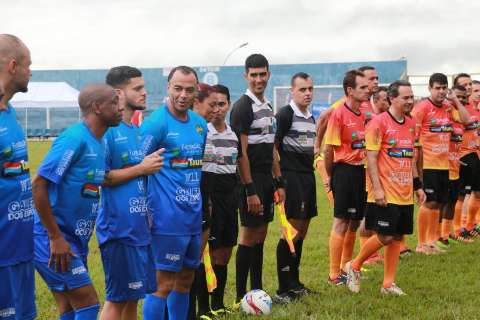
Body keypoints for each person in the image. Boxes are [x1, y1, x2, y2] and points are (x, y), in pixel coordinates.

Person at [32, 84, 123, 320]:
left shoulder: (100, 141)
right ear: (97, 107)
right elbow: (39, 184)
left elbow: (101, 179)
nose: (120, 107)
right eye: (114, 102)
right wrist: (55, 237)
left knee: (69, 307)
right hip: (51, 239)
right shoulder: (74, 139)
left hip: (75, 238)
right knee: (88, 302)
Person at [345, 80, 426, 295]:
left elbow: (410, 158)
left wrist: (418, 186)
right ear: (392, 98)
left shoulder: (411, 124)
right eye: (405, 97)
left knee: (398, 238)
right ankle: (354, 266)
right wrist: (377, 189)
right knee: (386, 235)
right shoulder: (378, 123)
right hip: (385, 192)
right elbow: (370, 158)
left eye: (411, 97)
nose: (410, 101)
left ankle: (388, 284)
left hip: (405, 192)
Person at [141, 66, 208, 320]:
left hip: (192, 216)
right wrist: (144, 210)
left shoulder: (200, 125)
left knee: (186, 279)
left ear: (196, 91)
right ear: (168, 88)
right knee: (162, 284)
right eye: (177, 88)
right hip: (165, 218)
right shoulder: (155, 124)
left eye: (189, 90)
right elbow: (138, 169)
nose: (183, 94)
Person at [97, 66, 164, 320]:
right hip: (118, 230)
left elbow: (138, 175)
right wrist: (141, 168)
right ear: (118, 94)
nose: (145, 93)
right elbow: (101, 177)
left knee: (133, 299)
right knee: (116, 300)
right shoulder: (108, 132)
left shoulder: (136, 131)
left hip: (139, 229)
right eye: (137, 88)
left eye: (144, 87)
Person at [229, 54, 286, 304]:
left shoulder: (268, 107)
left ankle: (257, 290)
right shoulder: (243, 107)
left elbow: (272, 148)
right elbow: (240, 154)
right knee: (249, 235)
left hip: (266, 179)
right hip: (249, 181)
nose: (258, 79)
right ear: (246, 76)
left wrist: (279, 180)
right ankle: (242, 296)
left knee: (261, 233)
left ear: (269, 74)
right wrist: (250, 190)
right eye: (254, 75)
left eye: (262, 74)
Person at [194, 84, 241, 317]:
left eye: (222, 104)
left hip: (229, 197)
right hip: (208, 195)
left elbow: (238, 167)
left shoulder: (233, 134)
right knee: (205, 254)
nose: (217, 109)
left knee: (224, 252)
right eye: (213, 104)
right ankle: (203, 308)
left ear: (229, 105)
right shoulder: (202, 131)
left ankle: (218, 304)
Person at [412, 73, 469, 254]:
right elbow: (412, 135)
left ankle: (431, 241)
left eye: (444, 88)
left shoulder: (447, 107)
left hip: (444, 165)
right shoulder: (421, 108)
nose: (441, 91)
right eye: (437, 88)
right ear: (429, 88)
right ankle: (421, 244)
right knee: (428, 203)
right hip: (428, 165)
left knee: (437, 204)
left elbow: (466, 120)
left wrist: (455, 101)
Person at [0, 34, 36, 320]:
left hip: (20, 247)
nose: (31, 71)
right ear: (13, 66)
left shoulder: (9, 111)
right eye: (28, 64)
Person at [274, 72, 317, 302]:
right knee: (291, 232)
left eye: (310, 88)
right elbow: (274, 146)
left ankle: (295, 282)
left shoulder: (310, 116)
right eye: (302, 89)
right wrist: (279, 180)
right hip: (292, 178)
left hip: (308, 177)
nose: (307, 93)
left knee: (303, 231)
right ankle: (283, 288)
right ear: (292, 91)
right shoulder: (285, 114)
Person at [324, 70, 369, 285]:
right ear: (350, 90)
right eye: (362, 87)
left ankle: (346, 266)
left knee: (354, 221)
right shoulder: (338, 114)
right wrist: (332, 176)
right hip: (343, 171)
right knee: (341, 220)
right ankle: (334, 274)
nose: (367, 90)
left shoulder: (362, 114)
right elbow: (328, 150)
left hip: (359, 170)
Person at [188, 82, 220, 319]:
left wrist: (206, 198)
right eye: (211, 105)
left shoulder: (202, 127)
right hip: (182, 201)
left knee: (197, 259)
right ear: (196, 103)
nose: (215, 110)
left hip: (203, 194)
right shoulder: (181, 125)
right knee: (183, 265)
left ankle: (199, 310)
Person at [438, 85, 467, 246]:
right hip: (442, 166)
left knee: (452, 201)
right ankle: (436, 235)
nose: (461, 100)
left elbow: (466, 120)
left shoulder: (459, 116)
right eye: (457, 96)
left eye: (464, 97)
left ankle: (446, 233)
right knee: (441, 202)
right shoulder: (445, 114)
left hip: (455, 166)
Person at [462, 80, 480, 236]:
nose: (478, 93)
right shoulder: (463, 110)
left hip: (476, 154)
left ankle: (471, 224)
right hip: (465, 155)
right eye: (475, 90)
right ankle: (463, 226)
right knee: (465, 193)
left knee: (477, 193)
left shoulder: (478, 110)